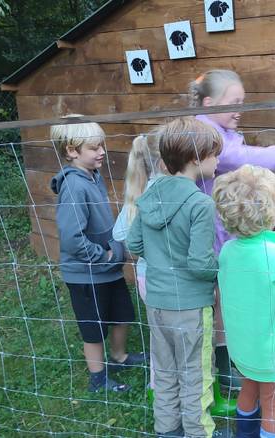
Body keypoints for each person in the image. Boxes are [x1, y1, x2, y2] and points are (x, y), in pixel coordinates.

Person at [190, 69, 275, 389]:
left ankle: (229, 363)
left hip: (223, 235)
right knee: (221, 303)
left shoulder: (215, 129)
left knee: (227, 301)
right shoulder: (205, 136)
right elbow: (243, 156)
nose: (240, 109)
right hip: (214, 239)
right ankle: (227, 369)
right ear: (209, 103)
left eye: (243, 102)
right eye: (233, 102)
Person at [126, 117, 227, 438]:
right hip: (191, 307)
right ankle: (200, 433)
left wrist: (160, 257)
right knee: (196, 374)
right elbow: (200, 263)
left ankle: (167, 431)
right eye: (215, 153)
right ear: (196, 159)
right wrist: (222, 270)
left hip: (156, 302)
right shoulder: (200, 204)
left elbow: (134, 243)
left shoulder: (149, 195)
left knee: (166, 372)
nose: (219, 160)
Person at [212, 164, 275, 438]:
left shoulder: (227, 251)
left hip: (242, 348)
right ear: (271, 210)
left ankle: (243, 434)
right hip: (274, 353)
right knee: (274, 405)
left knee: (249, 389)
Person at [49, 114, 146, 393]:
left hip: (108, 269)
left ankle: (119, 357)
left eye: (101, 145)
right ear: (71, 151)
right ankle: (97, 378)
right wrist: (103, 256)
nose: (102, 151)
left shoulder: (92, 176)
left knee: (122, 314)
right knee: (93, 327)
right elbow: (71, 238)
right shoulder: (74, 186)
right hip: (86, 273)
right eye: (94, 148)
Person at [113, 130, 165, 396]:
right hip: (169, 279)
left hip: (145, 277)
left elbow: (119, 233)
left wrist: (142, 249)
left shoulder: (137, 193)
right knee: (178, 334)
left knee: (158, 333)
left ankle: (157, 385)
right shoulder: (163, 190)